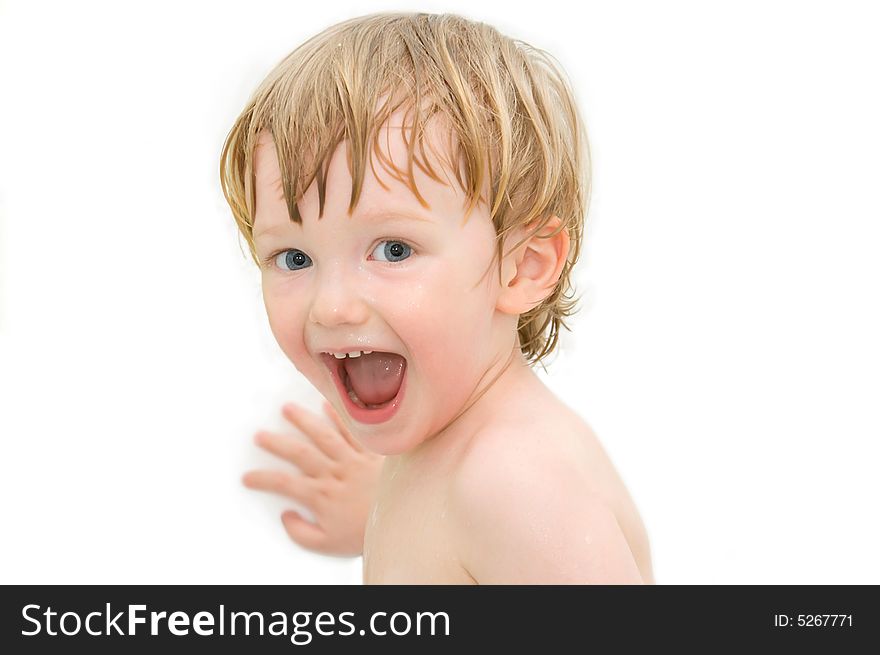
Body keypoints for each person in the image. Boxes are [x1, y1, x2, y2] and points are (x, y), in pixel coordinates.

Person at [220, 11, 654, 584]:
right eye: (294, 259)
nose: (331, 307)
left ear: (523, 265)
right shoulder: (446, 452)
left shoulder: (516, 484)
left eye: (394, 250)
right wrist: (376, 516)